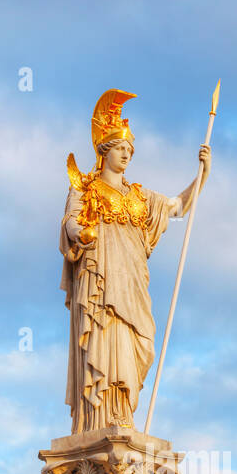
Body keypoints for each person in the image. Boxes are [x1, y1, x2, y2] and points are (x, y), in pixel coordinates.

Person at [61, 89, 211, 432]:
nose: (127, 155)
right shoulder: (86, 190)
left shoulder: (141, 197)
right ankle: (101, 416)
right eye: (121, 149)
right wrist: (80, 234)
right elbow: (70, 222)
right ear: (105, 151)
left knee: (138, 344)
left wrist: (201, 175)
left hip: (131, 282)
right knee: (105, 339)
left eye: (130, 150)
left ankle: (124, 412)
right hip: (99, 280)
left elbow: (177, 207)